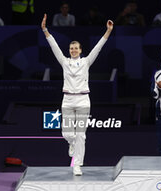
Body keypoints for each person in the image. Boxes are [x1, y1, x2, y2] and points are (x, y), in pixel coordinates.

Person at [41, 13, 113, 175]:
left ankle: (77, 165)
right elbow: (54, 47)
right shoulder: (64, 62)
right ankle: (71, 142)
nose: (73, 50)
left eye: (76, 48)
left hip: (83, 101)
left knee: (81, 135)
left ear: (80, 50)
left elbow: (98, 48)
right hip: (67, 100)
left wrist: (107, 32)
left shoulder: (86, 61)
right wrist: (45, 30)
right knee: (67, 133)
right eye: (71, 48)